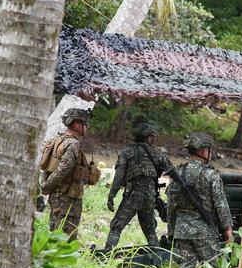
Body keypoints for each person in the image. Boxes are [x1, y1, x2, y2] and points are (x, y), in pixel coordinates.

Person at [166, 132, 233, 268]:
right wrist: (227, 228)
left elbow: (171, 206)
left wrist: (171, 230)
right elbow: (221, 204)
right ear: (203, 151)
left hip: (182, 230)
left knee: (186, 266)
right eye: (209, 150)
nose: (211, 154)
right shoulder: (211, 175)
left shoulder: (177, 174)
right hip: (204, 232)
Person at [103, 122, 172, 254]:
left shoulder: (127, 152)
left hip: (133, 196)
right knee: (149, 229)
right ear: (148, 137)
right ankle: (157, 254)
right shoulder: (156, 153)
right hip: (151, 197)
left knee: (117, 226)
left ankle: (107, 252)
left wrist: (112, 195)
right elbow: (172, 171)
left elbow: (119, 176)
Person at [40, 108, 99, 240]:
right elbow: (62, 170)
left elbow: (47, 168)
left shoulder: (58, 140)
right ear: (76, 124)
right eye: (85, 123)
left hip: (59, 194)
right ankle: (60, 260)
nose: (87, 127)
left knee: (56, 228)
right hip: (67, 197)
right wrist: (46, 187)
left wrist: (46, 185)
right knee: (66, 234)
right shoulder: (73, 144)